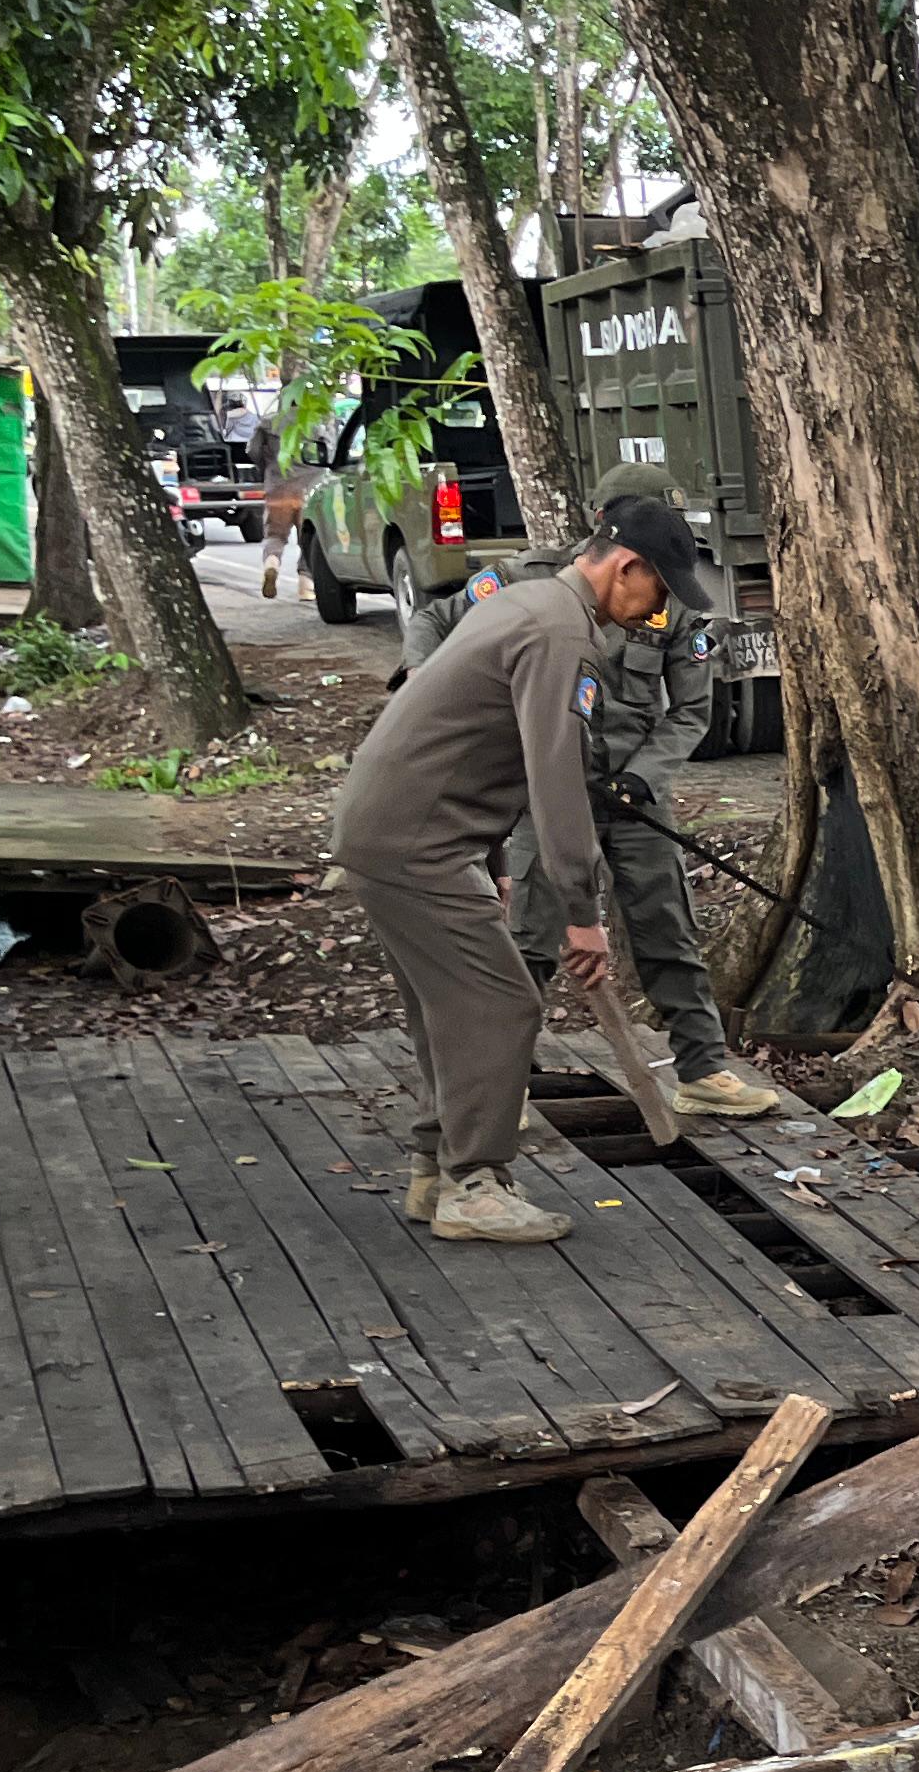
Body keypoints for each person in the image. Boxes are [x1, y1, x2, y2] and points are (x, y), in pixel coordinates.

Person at [328, 496, 713, 1242]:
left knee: (448, 1005)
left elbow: (470, 743)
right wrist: (582, 913)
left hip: (399, 833)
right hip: (416, 844)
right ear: (626, 567)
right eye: (659, 594)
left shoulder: (529, 602)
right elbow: (555, 778)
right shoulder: (562, 635)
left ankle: (434, 1171)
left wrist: (497, 859)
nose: (658, 614)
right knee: (503, 1004)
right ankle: (475, 1186)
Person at [403, 462, 782, 1122]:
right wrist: (435, 686)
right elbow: (434, 621)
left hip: (635, 795)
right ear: (613, 531)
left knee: (668, 930)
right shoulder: (531, 580)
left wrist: (643, 776)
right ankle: (503, 1082)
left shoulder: (673, 602)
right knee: (531, 941)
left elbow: (690, 713)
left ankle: (702, 1069)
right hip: (546, 790)